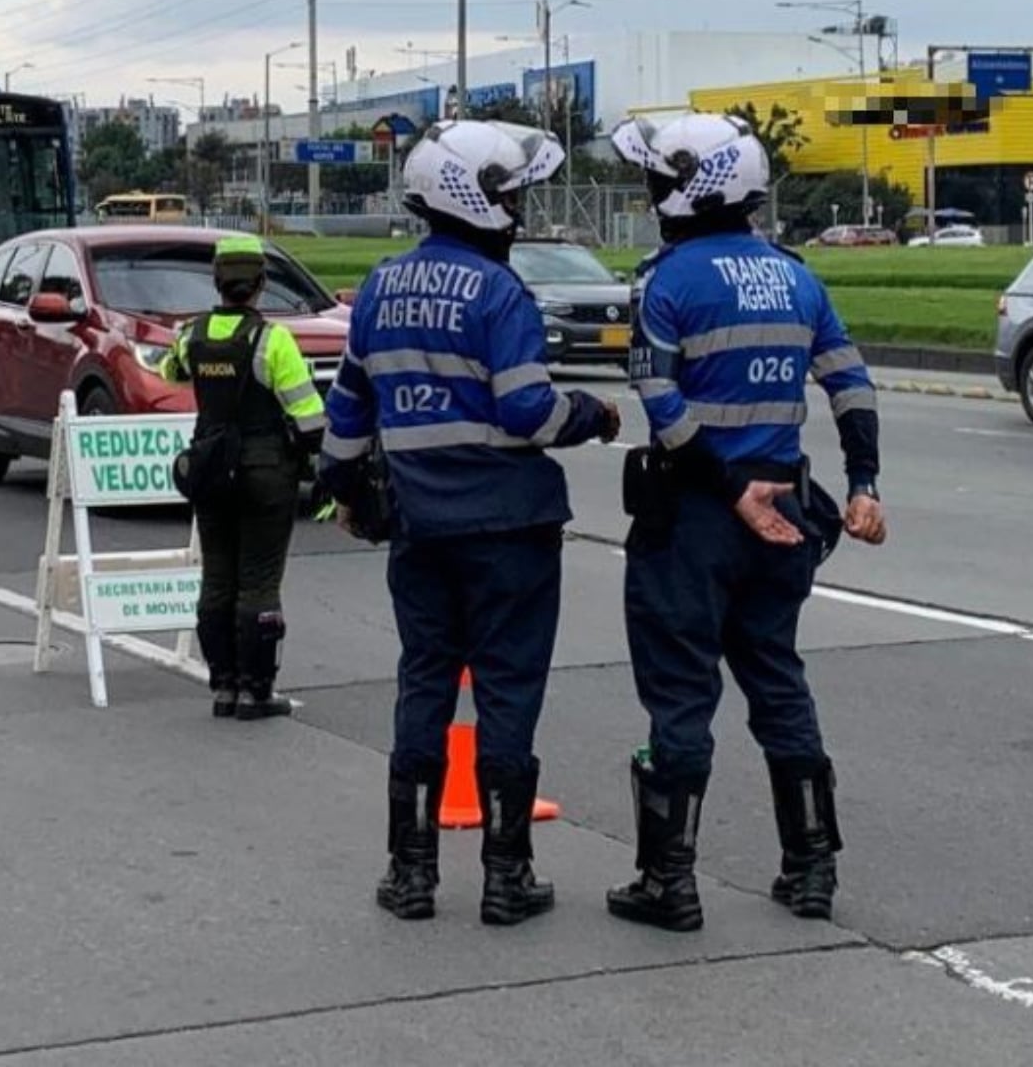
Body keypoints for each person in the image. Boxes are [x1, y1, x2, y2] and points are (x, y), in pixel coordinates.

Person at [317, 121, 621, 925]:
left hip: (420, 529)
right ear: (476, 199)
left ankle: (410, 873)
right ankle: (505, 876)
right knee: (507, 692)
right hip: (509, 530)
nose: (518, 210)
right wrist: (591, 413)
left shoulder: (379, 288)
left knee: (424, 683)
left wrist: (344, 490)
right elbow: (527, 409)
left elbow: (347, 413)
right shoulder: (498, 291)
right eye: (511, 195)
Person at [605, 112, 887, 934]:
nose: (650, 193)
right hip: (787, 512)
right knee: (777, 680)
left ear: (689, 191)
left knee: (681, 696)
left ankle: (669, 882)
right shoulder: (797, 279)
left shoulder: (666, 283)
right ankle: (812, 869)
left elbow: (661, 402)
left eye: (657, 180)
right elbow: (851, 384)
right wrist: (864, 482)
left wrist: (729, 489)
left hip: (697, 516)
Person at [161, 235, 326, 722]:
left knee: (217, 577)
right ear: (261, 283)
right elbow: (310, 419)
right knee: (258, 581)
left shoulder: (191, 335)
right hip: (265, 472)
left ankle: (224, 687)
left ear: (216, 280)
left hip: (211, 472)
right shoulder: (272, 340)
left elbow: (172, 371)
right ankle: (257, 692)